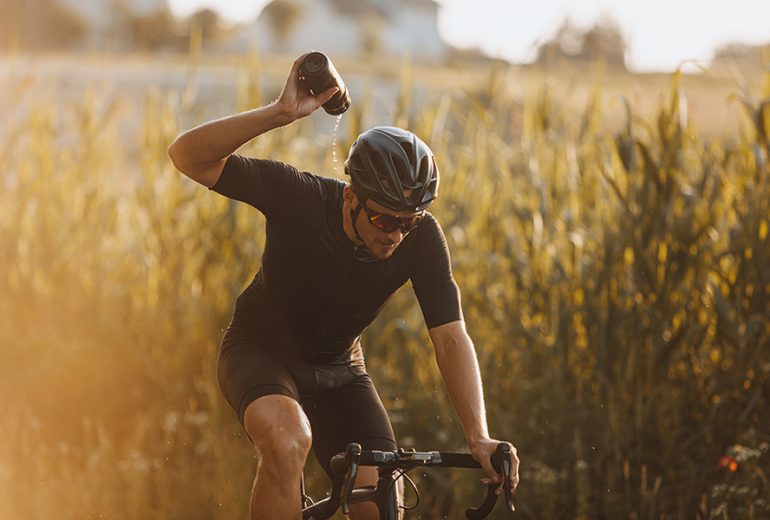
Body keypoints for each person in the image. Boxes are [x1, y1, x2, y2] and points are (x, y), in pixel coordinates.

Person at [168, 53, 519, 520]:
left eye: (407, 222)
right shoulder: (299, 196)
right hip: (260, 352)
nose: (394, 233)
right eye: (383, 217)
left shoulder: (422, 238)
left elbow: (451, 336)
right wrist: (279, 113)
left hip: (340, 372)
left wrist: (478, 435)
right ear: (351, 196)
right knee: (288, 439)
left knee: (381, 504)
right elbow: (186, 156)